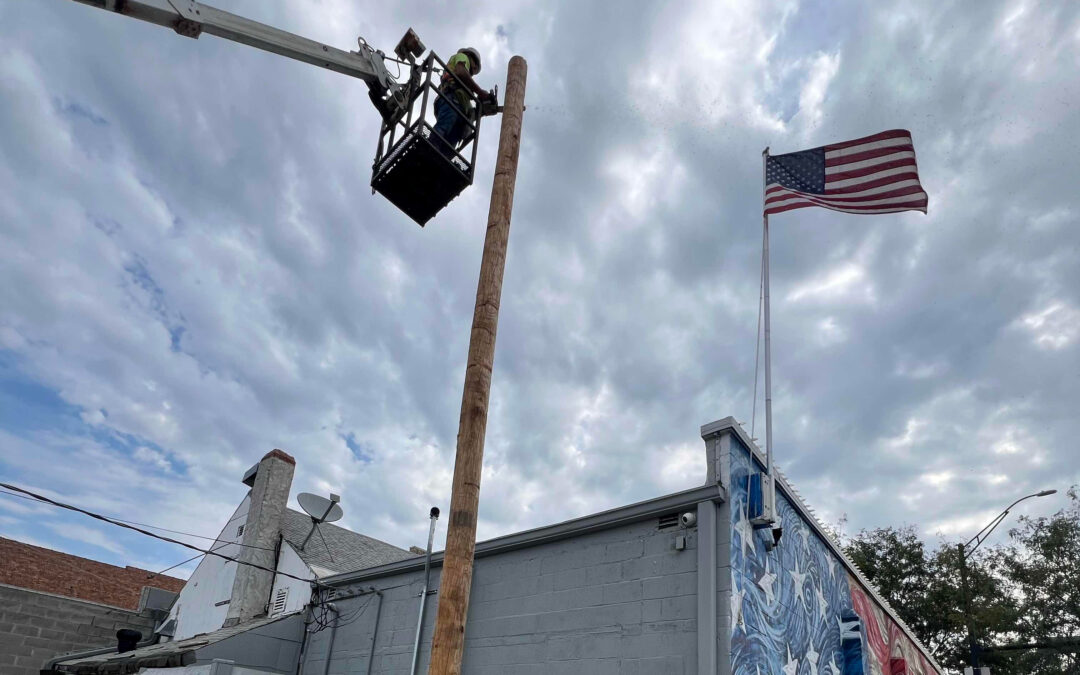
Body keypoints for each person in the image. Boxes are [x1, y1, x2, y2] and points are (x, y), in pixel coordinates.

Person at [432, 47, 493, 157]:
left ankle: (440, 159)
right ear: (470, 57)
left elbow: (470, 111)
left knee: (450, 144)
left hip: (458, 108)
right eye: (475, 67)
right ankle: (430, 148)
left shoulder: (465, 92)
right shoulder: (462, 57)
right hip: (451, 99)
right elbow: (461, 71)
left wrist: (482, 110)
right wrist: (480, 92)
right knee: (443, 128)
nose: (473, 70)